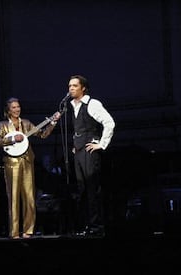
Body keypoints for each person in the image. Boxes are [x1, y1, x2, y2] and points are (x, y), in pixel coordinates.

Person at [0, 97, 61, 239]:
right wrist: (11, 139)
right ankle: (14, 232)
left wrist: (53, 122)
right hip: (12, 163)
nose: (17, 109)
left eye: (18, 107)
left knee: (29, 197)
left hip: (27, 162)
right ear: (8, 110)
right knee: (14, 197)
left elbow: (42, 134)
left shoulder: (27, 123)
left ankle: (28, 231)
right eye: (13, 108)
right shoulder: (3, 125)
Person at [67, 74, 115, 237]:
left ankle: (97, 225)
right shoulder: (72, 105)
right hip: (79, 151)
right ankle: (86, 225)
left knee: (92, 188)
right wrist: (76, 145)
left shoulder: (92, 104)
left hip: (89, 151)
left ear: (83, 88)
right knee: (82, 190)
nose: (71, 88)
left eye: (74, 86)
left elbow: (109, 122)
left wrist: (101, 144)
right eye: (69, 86)